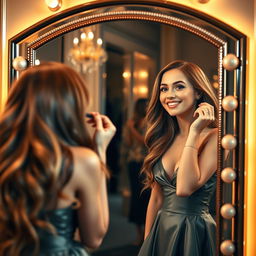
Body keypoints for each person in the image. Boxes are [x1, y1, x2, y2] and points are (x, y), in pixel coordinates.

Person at [0, 62, 116, 256]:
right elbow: (94, 237)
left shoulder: (6, 154)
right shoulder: (81, 161)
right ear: (70, 105)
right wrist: (100, 152)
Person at [138, 60, 218, 256]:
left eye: (179, 87)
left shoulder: (215, 136)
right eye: (164, 89)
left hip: (194, 232)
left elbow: (184, 188)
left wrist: (194, 133)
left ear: (198, 92)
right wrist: (148, 243)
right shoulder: (163, 138)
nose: (169, 95)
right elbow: (156, 198)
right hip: (161, 229)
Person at [121, 98, 150, 246]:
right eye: (143, 106)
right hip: (133, 163)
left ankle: (147, 234)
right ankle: (139, 234)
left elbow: (146, 141)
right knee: (136, 199)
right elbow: (127, 143)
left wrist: (132, 130)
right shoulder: (131, 122)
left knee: (146, 197)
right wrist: (129, 130)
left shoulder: (150, 121)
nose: (145, 108)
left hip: (146, 163)